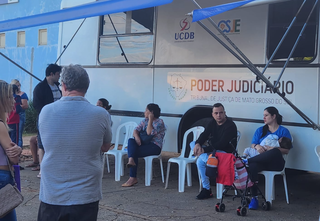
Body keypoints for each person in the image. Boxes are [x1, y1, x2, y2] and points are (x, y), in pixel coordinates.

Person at [37, 64, 112, 221]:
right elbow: (105, 147)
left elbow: (45, 143)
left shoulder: (46, 111)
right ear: (86, 87)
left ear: (63, 85)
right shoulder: (101, 114)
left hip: (52, 194)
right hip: (86, 195)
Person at [247, 106, 292, 210]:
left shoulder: (283, 131)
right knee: (253, 166)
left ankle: (246, 161)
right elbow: (252, 144)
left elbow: (287, 150)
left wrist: (273, 148)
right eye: (263, 116)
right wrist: (257, 146)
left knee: (275, 151)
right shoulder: (260, 130)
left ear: (274, 116)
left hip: (276, 163)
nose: (264, 118)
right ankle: (254, 198)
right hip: (261, 161)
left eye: (266, 115)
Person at [192, 103, 237, 200]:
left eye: (221, 113)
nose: (218, 115)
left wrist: (204, 150)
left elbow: (222, 144)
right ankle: (206, 189)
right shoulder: (212, 122)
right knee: (194, 147)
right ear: (212, 114)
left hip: (226, 153)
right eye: (216, 113)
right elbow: (204, 134)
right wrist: (198, 143)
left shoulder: (230, 125)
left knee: (200, 159)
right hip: (214, 152)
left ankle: (207, 189)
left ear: (225, 113)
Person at [122, 103, 166, 187]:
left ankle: (132, 177)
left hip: (154, 146)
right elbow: (135, 130)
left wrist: (150, 120)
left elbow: (149, 132)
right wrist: (137, 137)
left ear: (151, 112)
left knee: (133, 151)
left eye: (146, 110)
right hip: (143, 144)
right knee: (131, 140)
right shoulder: (143, 121)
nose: (144, 112)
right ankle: (131, 160)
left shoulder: (159, 122)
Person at [33, 63, 62, 178]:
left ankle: (55, 167)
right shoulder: (40, 88)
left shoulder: (57, 86)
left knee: (57, 142)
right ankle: (42, 169)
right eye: (58, 74)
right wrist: (47, 114)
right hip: (45, 119)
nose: (59, 76)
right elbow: (36, 105)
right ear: (52, 74)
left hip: (58, 120)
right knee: (42, 144)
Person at [0, 80, 22, 221]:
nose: (13, 99)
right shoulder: (0, 125)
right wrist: (17, 150)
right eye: (9, 96)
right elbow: (14, 158)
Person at [11, 79, 29, 147]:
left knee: (18, 136)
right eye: (16, 85)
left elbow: (25, 106)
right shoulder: (11, 95)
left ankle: (19, 150)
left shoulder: (22, 95)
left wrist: (17, 106)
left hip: (20, 116)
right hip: (11, 117)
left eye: (19, 85)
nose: (18, 87)